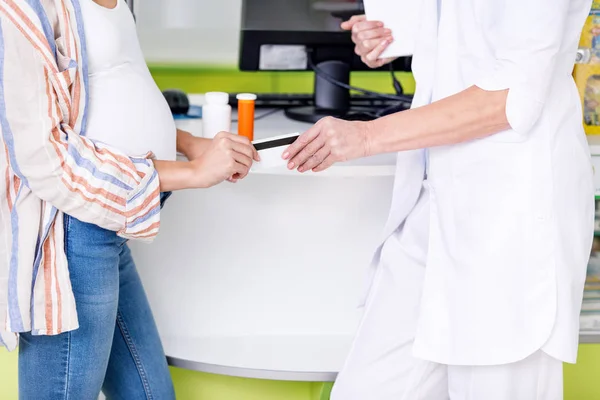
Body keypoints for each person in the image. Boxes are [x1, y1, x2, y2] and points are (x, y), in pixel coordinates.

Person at [284, 1, 595, 399]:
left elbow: (512, 96)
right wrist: (391, 35)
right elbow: (464, 34)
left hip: (510, 214)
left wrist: (365, 136)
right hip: (433, 200)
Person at [0, 0, 258, 399]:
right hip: (71, 234)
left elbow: (117, 80)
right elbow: (44, 159)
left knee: (150, 394)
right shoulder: (22, 7)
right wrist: (192, 174)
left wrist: (189, 145)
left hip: (112, 226)